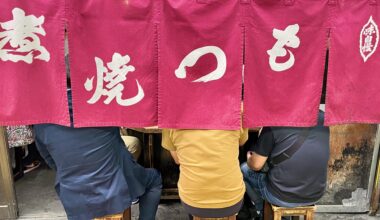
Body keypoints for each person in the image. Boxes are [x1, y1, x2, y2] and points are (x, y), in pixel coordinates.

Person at [241, 111, 329, 216]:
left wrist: (250, 157)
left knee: (244, 169)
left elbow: (256, 165)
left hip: (281, 196)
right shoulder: (323, 118)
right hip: (315, 194)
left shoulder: (274, 122)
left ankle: (261, 210)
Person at [161, 125, 248, 219]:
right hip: (232, 199)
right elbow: (241, 141)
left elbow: (178, 160)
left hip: (193, 200)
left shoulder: (169, 115)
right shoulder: (237, 110)